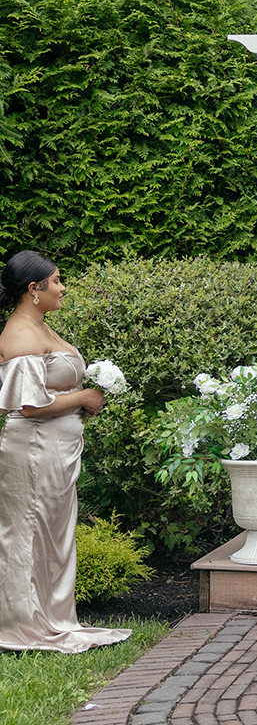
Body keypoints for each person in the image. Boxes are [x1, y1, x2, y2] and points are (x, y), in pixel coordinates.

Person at [0, 251, 130, 653]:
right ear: (32, 290)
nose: (62, 288)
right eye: (55, 281)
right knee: (28, 534)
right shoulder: (20, 335)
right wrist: (85, 396)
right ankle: (24, 623)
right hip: (34, 449)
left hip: (56, 450)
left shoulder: (41, 327)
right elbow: (30, 406)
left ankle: (55, 616)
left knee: (54, 537)